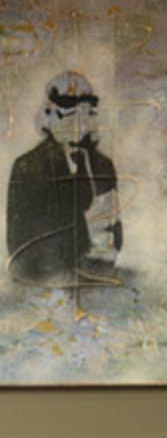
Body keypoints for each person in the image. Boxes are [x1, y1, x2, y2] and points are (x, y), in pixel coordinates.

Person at [5, 71, 123, 286]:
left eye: (86, 113)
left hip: (98, 277)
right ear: (49, 114)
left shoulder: (102, 165)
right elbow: (19, 242)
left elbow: (115, 231)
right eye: (70, 113)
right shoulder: (27, 167)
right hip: (43, 280)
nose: (78, 122)